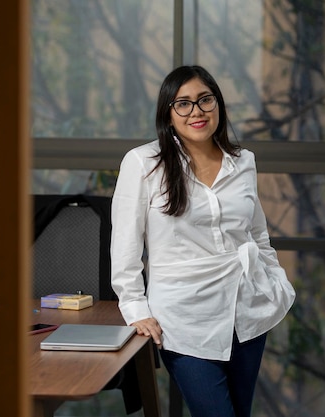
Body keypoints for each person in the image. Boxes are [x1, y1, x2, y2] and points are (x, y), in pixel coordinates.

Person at [110, 65, 296, 417]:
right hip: (183, 319)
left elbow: (256, 233)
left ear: (218, 106)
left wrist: (276, 280)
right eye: (183, 104)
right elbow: (125, 245)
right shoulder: (143, 163)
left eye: (205, 100)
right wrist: (135, 309)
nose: (196, 111)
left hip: (248, 309)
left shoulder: (243, 162)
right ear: (168, 113)